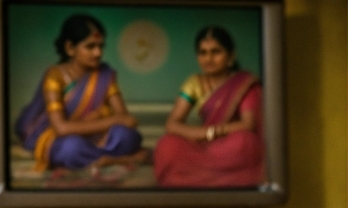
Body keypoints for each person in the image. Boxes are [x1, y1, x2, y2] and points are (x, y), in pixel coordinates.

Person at [15, 15, 143, 171]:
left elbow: (125, 119)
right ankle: (119, 159)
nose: (98, 53)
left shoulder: (104, 74)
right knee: (71, 148)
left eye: (101, 46)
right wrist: (107, 121)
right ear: (70, 48)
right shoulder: (55, 76)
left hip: (97, 137)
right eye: (90, 46)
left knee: (127, 136)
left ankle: (99, 159)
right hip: (60, 137)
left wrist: (110, 124)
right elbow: (61, 128)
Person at [153, 27, 265, 188]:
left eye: (216, 52)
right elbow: (172, 124)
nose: (208, 58)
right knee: (167, 145)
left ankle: (192, 179)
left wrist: (214, 132)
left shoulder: (244, 84)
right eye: (202, 52)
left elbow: (248, 124)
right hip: (201, 145)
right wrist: (201, 134)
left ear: (231, 56)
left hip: (230, 145)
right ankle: (219, 179)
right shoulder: (194, 83)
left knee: (246, 142)